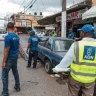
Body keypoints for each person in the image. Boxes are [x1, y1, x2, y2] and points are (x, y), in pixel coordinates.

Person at [53, 24, 96, 96]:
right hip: (90, 79)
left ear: (84, 33)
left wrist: (58, 68)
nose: (80, 33)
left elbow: (67, 60)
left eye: (81, 32)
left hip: (75, 78)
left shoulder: (76, 45)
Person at [0, 22, 20, 96]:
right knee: (15, 71)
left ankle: (5, 92)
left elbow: (6, 50)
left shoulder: (8, 37)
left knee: (4, 74)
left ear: (7, 28)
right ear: (13, 27)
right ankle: (17, 86)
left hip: (10, 57)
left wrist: (4, 62)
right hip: (15, 56)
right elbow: (17, 47)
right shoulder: (17, 36)